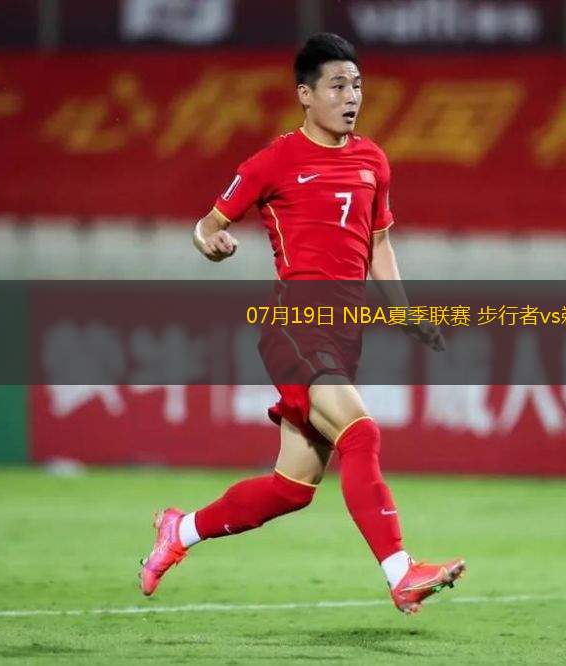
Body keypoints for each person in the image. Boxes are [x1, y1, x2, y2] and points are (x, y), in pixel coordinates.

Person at [139, 33, 464, 614]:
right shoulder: (276, 160)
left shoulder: (373, 161)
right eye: (337, 86)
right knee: (362, 433)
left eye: (357, 85)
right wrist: (209, 241)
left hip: (342, 334)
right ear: (305, 95)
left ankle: (179, 530)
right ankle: (401, 571)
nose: (351, 97)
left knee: (292, 488)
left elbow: (379, 244)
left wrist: (404, 310)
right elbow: (207, 223)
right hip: (295, 323)